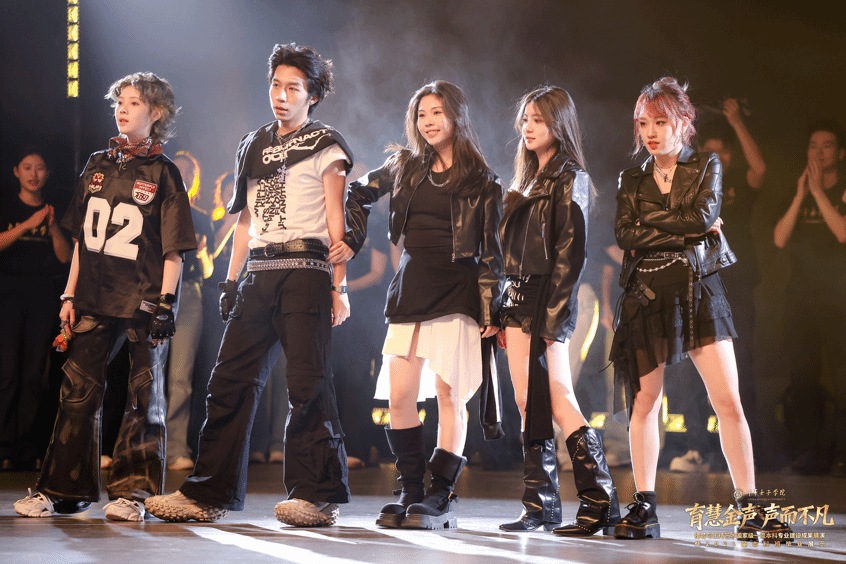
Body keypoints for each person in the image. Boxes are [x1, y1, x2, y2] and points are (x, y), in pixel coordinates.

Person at [145, 42, 353, 527]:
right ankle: (208, 492)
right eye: (276, 85)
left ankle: (317, 496)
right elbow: (243, 219)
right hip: (258, 273)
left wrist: (339, 287)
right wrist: (230, 279)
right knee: (229, 382)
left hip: (307, 270)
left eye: (293, 88)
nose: (281, 95)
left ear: (313, 95)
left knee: (307, 384)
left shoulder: (327, 144)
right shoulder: (254, 143)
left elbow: (336, 219)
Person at [609, 77, 792, 540]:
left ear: (683, 122)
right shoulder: (631, 178)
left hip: (698, 288)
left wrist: (658, 223)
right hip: (648, 292)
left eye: (660, 122)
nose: (650, 132)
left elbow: (702, 217)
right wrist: (683, 227)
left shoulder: (707, 163)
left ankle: (750, 506)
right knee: (645, 403)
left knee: (727, 400)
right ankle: (644, 505)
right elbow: (626, 234)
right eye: (643, 123)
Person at [13, 72, 196, 522]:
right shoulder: (97, 164)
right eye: (120, 101)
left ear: (156, 113)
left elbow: (174, 249)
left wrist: (167, 303)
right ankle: (62, 491)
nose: (123, 109)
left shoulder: (165, 173)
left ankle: (134, 494)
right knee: (76, 394)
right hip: (94, 297)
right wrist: (69, 294)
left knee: (144, 399)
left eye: (133, 102)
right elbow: (80, 241)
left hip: (143, 302)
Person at [335, 80, 504, 529]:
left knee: (450, 395)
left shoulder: (483, 179)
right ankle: (411, 489)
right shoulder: (405, 165)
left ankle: (439, 496)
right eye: (421, 114)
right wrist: (352, 239)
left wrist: (491, 307)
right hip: (410, 287)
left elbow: (493, 251)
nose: (428, 122)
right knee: (400, 396)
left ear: (456, 117)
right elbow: (356, 192)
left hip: (458, 289)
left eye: (436, 113)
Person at [496, 86, 619, 535]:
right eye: (526, 119)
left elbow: (572, 253)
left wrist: (554, 316)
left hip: (547, 297)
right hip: (517, 297)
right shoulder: (528, 177)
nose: (528, 128)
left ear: (559, 125)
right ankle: (542, 505)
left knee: (557, 397)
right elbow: (510, 254)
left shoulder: (571, 177)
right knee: (528, 401)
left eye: (539, 120)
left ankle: (598, 500)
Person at [773, 121, 846, 474]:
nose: (819, 152)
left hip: (838, 296)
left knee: (842, 374)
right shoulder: (797, 189)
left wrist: (818, 193)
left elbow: (843, 233)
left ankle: (841, 452)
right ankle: (810, 452)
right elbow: (779, 239)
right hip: (800, 297)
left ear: (840, 153)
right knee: (803, 374)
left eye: (827, 145)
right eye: (813, 145)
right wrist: (802, 195)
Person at [0, 147, 72, 471]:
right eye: (27, 167)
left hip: (43, 298)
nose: (34, 174)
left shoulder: (53, 209)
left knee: (34, 375)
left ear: (47, 173)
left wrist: (52, 226)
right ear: (16, 171)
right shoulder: (8, 205)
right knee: (7, 374)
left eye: (40, 168)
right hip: (8, 296)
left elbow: (65, 257)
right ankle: (4, 448)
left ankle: (28, 449)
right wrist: (28, 224)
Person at [166, 150, 215, 471]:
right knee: (146, 373)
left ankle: (175, 448)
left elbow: (207, 270)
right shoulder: (155, 210)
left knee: (180, 377)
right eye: (178, 171)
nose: (183, 178)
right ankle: (140, 445)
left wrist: (203, 253)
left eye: (189, 174)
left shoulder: (201, 216)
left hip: (190, 295)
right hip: (155, 292)